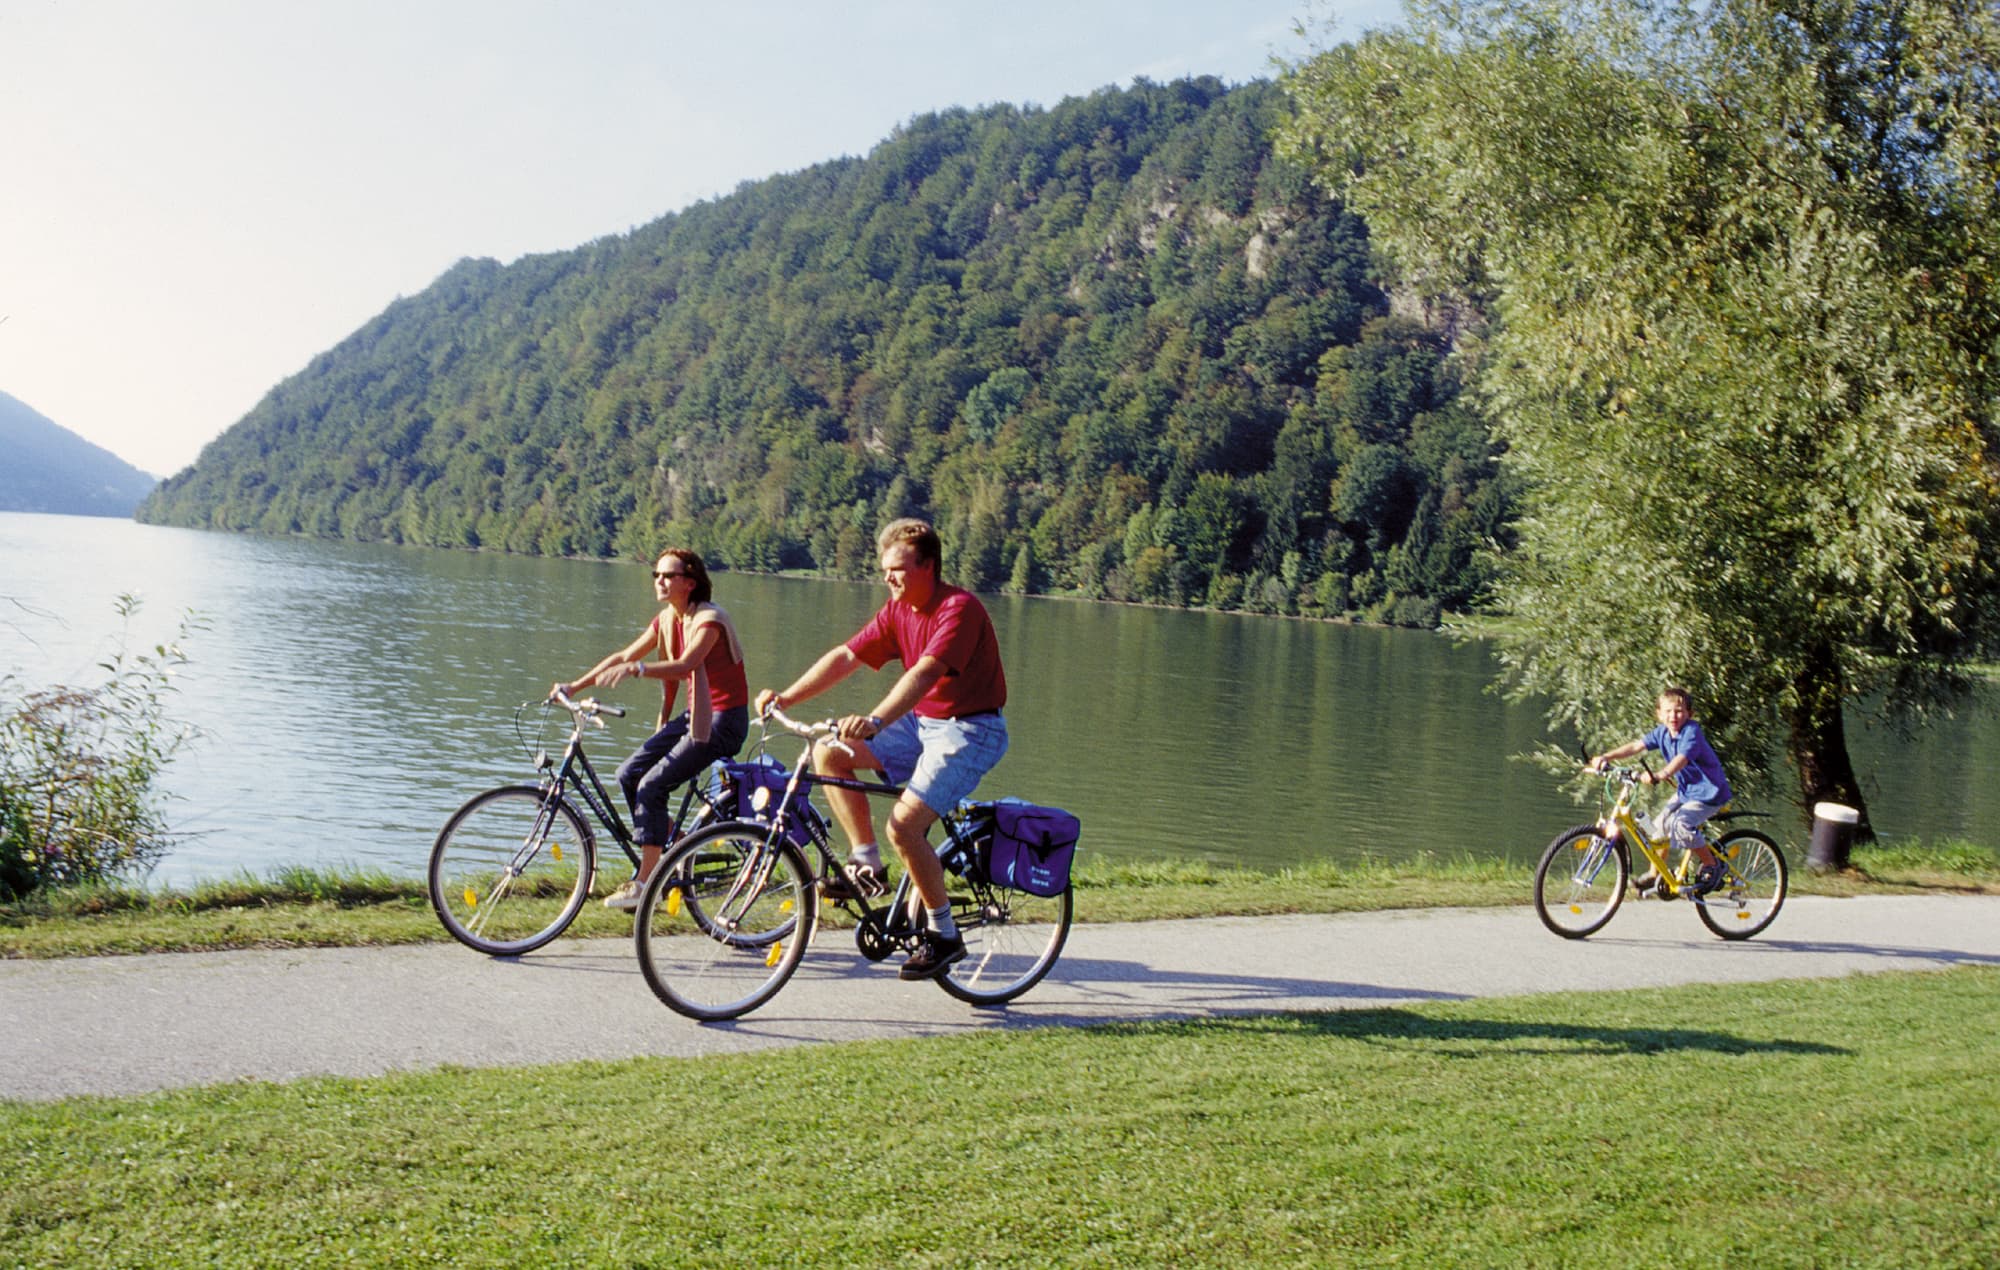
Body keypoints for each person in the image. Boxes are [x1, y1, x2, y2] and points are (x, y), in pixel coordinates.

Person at [754, 518, 1008, 980]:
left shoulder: (959, 609)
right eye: (885, 569)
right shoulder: (898, 611)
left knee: (906, 826)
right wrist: (786, 697)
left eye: (898, 569)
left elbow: (925, 673)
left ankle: (944, 934)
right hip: (922, 722)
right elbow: (846, 656)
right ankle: (866, 863)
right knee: (830, 752)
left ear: (928, 566)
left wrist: (874, 721)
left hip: (969, 730)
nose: (888, 578)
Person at [553, 549, 750, 910]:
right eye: (656, 575)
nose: (659, 580)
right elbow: (624, 656)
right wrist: (574, 686)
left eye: (667, 575)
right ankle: (671, 846)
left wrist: (640, 670)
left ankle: (647, 881)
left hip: (723, 723)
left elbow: (686, 664)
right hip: (696, 715)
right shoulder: (666, 620)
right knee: (629, 774)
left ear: (689, 582)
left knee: (652, 785)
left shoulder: (710, 620)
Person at [1590, 686, 1732, 896]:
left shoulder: (1691, 732)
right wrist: (1606, 757)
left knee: (1680, 824)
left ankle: (1713, 865)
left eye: (1678, 711)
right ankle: (1655, 874)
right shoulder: (1662, 733)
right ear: (1659, 714)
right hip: (1687, 792)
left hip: (1709, 794)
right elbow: (1636, 746)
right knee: (1658, 829)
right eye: (1667, 711)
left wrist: (1660, 774)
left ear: (1689, 714)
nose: (1673, 716)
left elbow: (1681, 759)